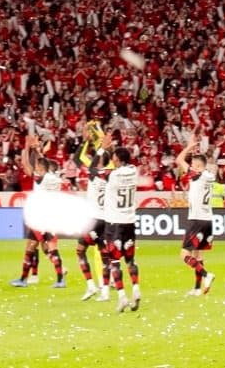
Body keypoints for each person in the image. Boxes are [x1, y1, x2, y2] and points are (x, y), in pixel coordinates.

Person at [11, 134, 67, 288]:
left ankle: (57, 278)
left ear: (41, 169)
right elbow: (42, 163)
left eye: (37, 168)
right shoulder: (54, 178)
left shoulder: (41, 178)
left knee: (38, 248)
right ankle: (58, 278)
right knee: (40, 247)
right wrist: (37, 149)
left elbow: (26, 165)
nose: (35, 169)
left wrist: (27, 148)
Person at [176, 131, 217, 297]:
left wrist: (189, 147)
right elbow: (197, 164)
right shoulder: (208, 175)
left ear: (199, 167)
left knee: (184, 254)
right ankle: (197, 288)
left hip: (197, 220)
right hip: (208, 219)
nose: (190, 167)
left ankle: (207, 275)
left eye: (193, 165)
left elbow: (179, 160)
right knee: (197, 254)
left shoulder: (196, 175)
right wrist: (195, 151)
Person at [75, 123, 110, 302]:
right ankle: (102, 289)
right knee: (104, 255)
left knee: (81, 251)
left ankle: (93, 286)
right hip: (106, 219)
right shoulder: (111, 176)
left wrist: (100, 146)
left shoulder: (95, 174)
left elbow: (83, 161)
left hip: (94, 219)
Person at [103, 146, 141, 312]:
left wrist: (103, 149)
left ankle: (122, 297)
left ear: (117, 159)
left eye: (113, 157)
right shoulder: (134, 171)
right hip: (130, 222)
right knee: (130, 260)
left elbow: (97, 169)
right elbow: (125, 163)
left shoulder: (113, 175)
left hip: (115, 223)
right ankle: (136, 289)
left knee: (115, 262)